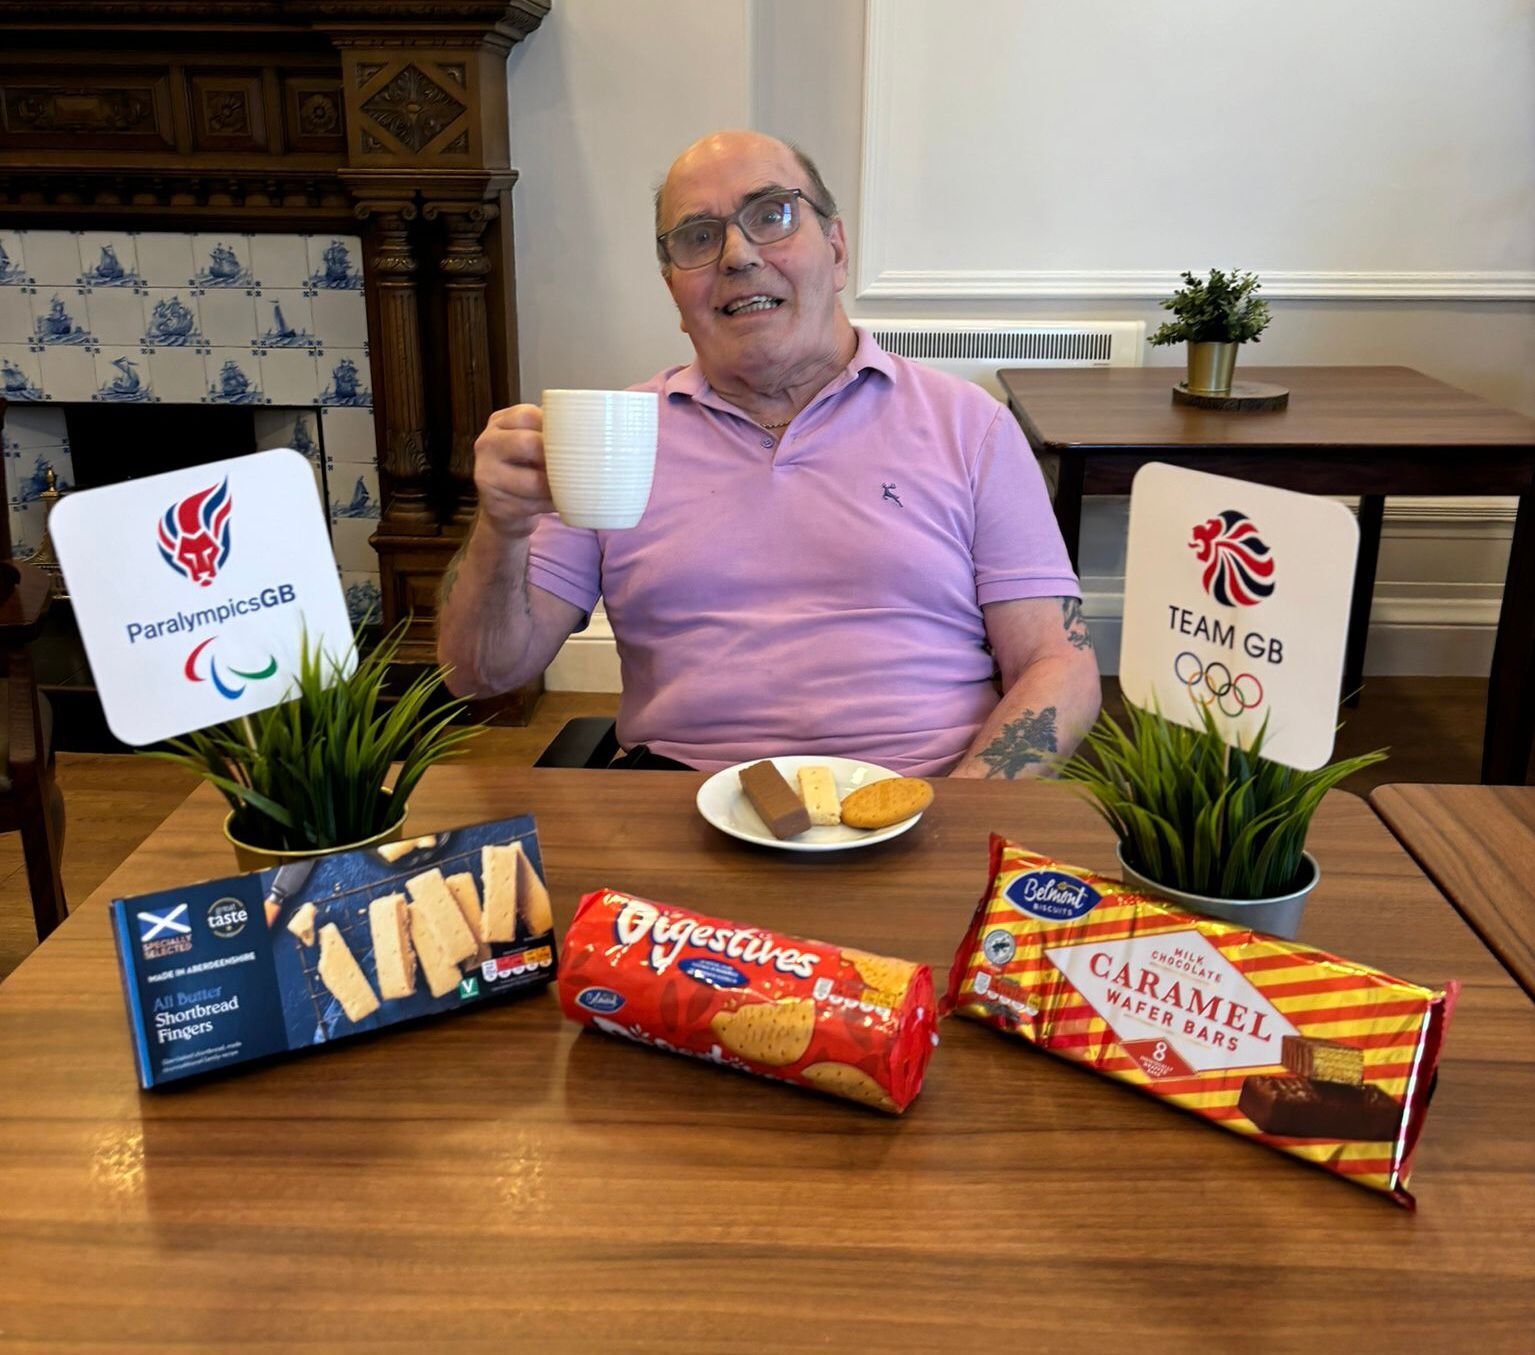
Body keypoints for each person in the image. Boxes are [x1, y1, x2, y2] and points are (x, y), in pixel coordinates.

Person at [437, 130, 1100, 778]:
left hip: (922, 801)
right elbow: (479, 673)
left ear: (836, 250)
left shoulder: (969, 426)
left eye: (770, 216)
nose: (736, 254)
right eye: (698, 236)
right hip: (681, 809)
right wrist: (501, 525)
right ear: (673, 288)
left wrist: (958, 816)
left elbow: (1057, 664)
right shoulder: (616, 436)